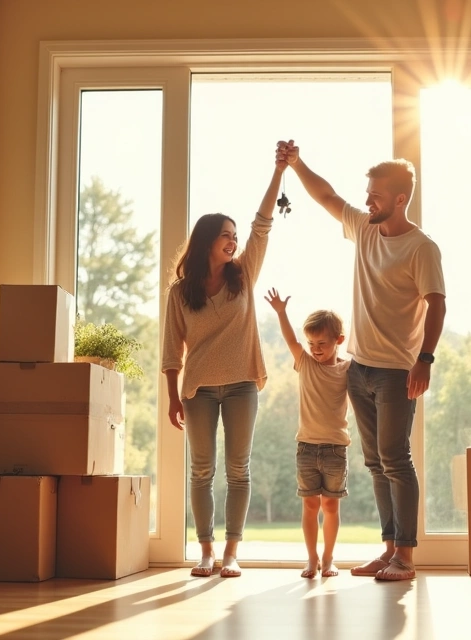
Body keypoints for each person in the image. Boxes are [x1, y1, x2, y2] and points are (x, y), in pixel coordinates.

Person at [276, 140, 446, 581]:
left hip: (396, 371)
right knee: (374, 462)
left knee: (395, 457)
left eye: (375, 194)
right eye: (367, 192)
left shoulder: (421, 248)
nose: (367, 199)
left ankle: (405, 558)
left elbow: (437, 305)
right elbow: (328, 197)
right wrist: (296, 164)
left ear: (400, 199)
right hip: (359, 368)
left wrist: (425, 359)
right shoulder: (365, 228)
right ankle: (389, 549)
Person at [161, 155, 287, 578]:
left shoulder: (244, 274)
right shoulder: (180, 292)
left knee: (238, 469)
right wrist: (172, 399)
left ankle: (232, 552)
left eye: (234, 236)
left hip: (241, 386)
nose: (233, 241)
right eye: (225, 236)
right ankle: (206, 552)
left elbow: (262, 224)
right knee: (201, 470)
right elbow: (170, 350)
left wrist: (278, 173)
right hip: (196, 389)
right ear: (206, 241)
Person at [263, 288, 352, 578]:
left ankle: (328, 558)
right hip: (306, 448)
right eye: (311, 342)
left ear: (339, 341)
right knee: (311, 505)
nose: (315, 348)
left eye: (322, 343)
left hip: (336, 449)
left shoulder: (348, 370)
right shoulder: (305, 363)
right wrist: (280, 312)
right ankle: (311, 558)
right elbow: (291, 340)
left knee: (331, 505)